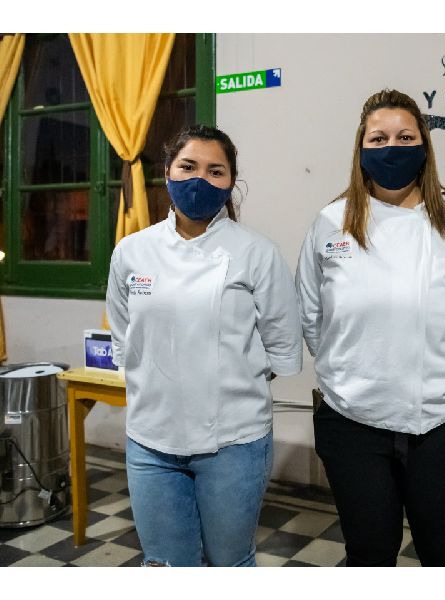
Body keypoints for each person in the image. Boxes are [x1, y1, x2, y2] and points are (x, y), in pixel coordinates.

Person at [296, 89, 445, 566]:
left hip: (443, 425)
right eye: (378, 139)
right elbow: (312, 316)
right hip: (353, 423)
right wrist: (352, 370)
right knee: (369, 555)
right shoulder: (330, 223)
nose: (392, 148)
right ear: (360, 148)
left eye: (405, 137)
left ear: (424, 145)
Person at [106, 125, 302, 567]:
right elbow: (125, 336)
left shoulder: (257, 253)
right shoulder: (132, 251)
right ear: (167, 172)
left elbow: (280, 343)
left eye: (216, 171)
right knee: (165, 565)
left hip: (234, 442)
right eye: (188, 167)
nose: (200, 179)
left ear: (231, 182)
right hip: (151, 439)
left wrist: (221, 377)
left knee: (230, 563)